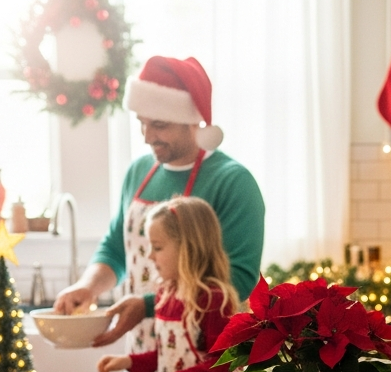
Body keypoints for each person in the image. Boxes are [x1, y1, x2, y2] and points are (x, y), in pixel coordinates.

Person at [53, 55, 264, 352]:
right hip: (141, 347)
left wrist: (148, 305)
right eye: (142, 123)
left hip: (204, 352)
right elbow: (117, 248)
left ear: (191, 120)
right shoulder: (138, 172)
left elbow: (236, 280)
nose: (148, 137)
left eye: (160, 125)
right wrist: (88, 286)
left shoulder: (233, 182)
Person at [95, 197, 237, 372]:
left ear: (188, 248)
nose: (150, 256)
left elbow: (223, 363)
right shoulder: (166, 295)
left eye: (158, 247)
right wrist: (127, 362)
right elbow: (168, 356)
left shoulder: (211, 298)